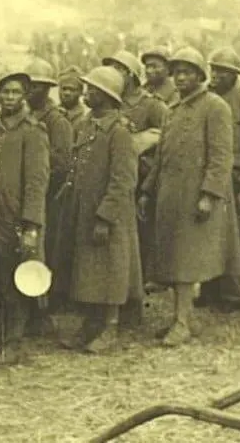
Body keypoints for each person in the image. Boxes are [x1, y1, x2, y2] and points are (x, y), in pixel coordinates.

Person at [139, 47, 239, 347]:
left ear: (199, 75)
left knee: (185, 262)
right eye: (177, 72)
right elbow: (160, 158)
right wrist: (147, 191)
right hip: (169, 197)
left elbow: (222, 156)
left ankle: (182, 321)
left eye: (187, 72)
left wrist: (209, 194)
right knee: (171, 258)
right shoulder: (173, 109)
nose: (181, 77)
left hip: (195, 197)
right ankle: (181, 317)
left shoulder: (216, 107)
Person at [57, 67, 142, 353]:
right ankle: (91, 324)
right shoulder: (86, 125)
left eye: (93, 90)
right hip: (83, 209)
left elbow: (123, 180)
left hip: (109, 214)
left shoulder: (120, 131)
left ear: (107, 96)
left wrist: (106, 216)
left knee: (111, 269)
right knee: (88, 270)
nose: (87, 94)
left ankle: (110, 326)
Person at [0, 70, 50, 368]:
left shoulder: (33, 131)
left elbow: (36, 181)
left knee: (14, 280)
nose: (9, 98)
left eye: (16, 93)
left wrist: (31, 224)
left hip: (14, 217)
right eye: (4, 92)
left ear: (24, 96)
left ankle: (13, 343)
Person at [103, 50, 168, 326]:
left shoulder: (151, 104)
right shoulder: (110, 101)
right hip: (115, 176)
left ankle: (134, 303)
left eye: (118, 68)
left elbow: (169, 137)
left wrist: (143, 142)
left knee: (139, 240)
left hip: (143, 176)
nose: (114, 73)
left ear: (130, 74)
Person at [196, 46, 240, 312]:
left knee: (232, 241)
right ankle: (210, 289)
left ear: (236, 75)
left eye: (224, 72)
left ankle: (234, 295)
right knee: (209, 235)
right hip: (210, 175)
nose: (216, 76)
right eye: (214, 70)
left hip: (234, 178)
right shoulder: (207, 99)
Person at [24, 58, 73, 335]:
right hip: (30, 196)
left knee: (45, 253)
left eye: (38, 86)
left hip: (48, 197)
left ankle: (42, 312)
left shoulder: (57, 121)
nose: (32, 91)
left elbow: (62, 162)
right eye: (28, 86)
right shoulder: (26, 116)